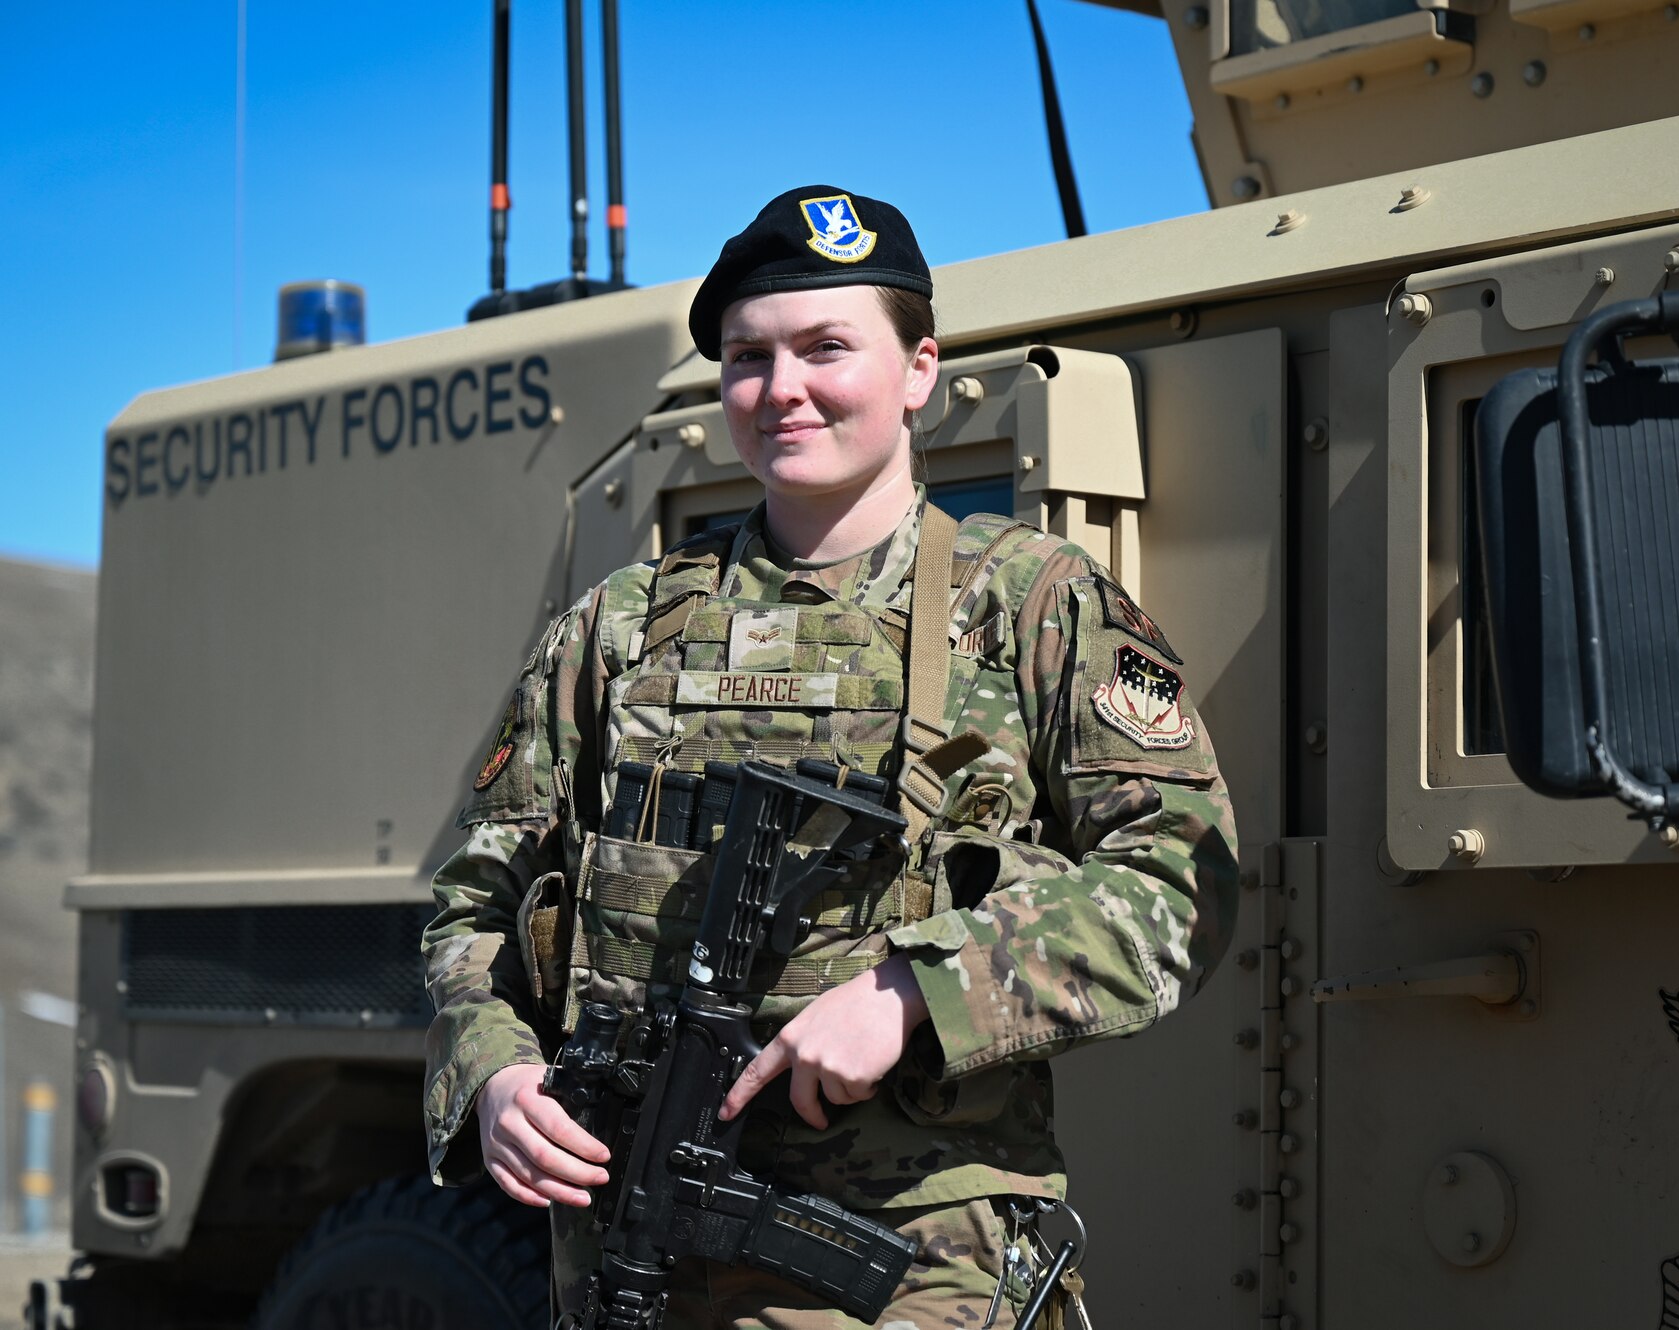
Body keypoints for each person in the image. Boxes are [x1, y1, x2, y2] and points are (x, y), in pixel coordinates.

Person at [421, 184, 1239, 1329]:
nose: (781, 388)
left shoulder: (1030, 605)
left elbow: (1178, 885)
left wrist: (917, 990)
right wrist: (495, 1074)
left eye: (825, 346)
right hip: (625, 1258)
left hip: (917, 1266)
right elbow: (475, 905)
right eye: (748, 357)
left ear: (919, 370)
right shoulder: (617, 628)